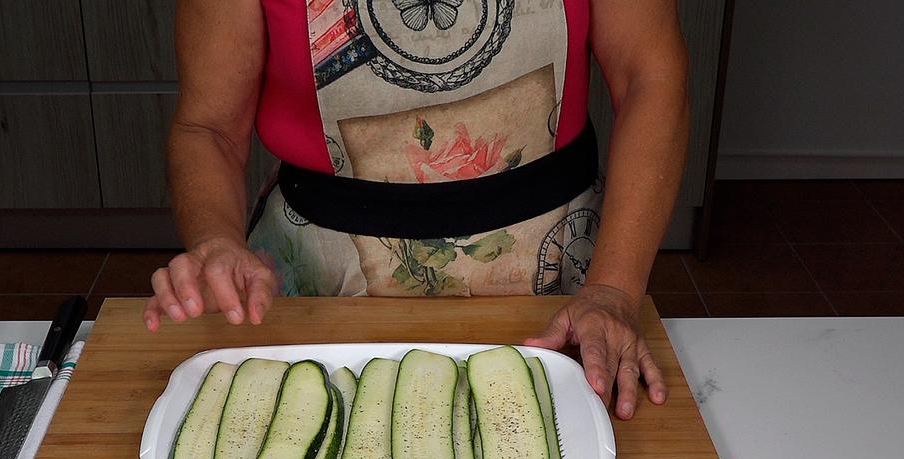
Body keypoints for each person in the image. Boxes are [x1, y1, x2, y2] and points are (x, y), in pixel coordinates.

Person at [145, 0, 689, 420]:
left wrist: (613, 291)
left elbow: (652, 78)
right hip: (317, 285)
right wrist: (216, 240)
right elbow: (208, 127)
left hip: (563, 282)